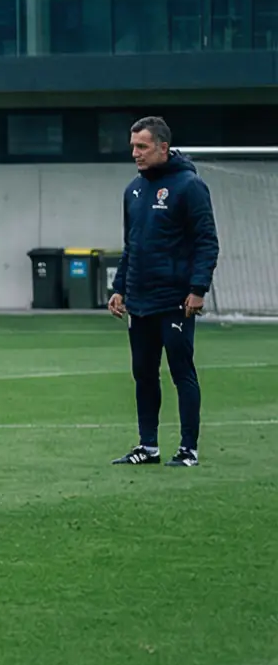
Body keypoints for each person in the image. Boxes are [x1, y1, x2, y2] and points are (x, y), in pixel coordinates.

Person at [108, 115, 216, 467]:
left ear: (163, 147)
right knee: (143, 373)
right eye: (133, 147)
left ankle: (188, 449)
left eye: (142, 146)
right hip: (139, 299)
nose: (135, 153)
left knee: (182, 372)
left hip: (175, 300)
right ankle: (148, 446)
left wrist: (198, 289)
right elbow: (132, 244)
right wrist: (120, 288)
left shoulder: (189, 186)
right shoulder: (133, 190)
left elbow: (206, 241)